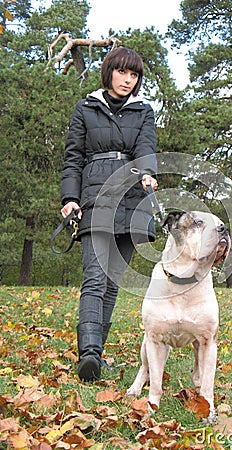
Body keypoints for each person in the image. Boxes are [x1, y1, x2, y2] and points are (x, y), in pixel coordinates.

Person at [60, 46, 158, 382]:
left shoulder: (143, 111)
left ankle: (95, 357)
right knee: (95, 278)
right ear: (109, 72)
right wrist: (70, 198)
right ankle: (88, 353)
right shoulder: (86, 107)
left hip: (133, 200)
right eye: (122, 72)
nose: (128, 80)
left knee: (113, 283)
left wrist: (147, 171)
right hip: (95, 196)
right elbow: (73, 157)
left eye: (134, 75)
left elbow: (145, 146)